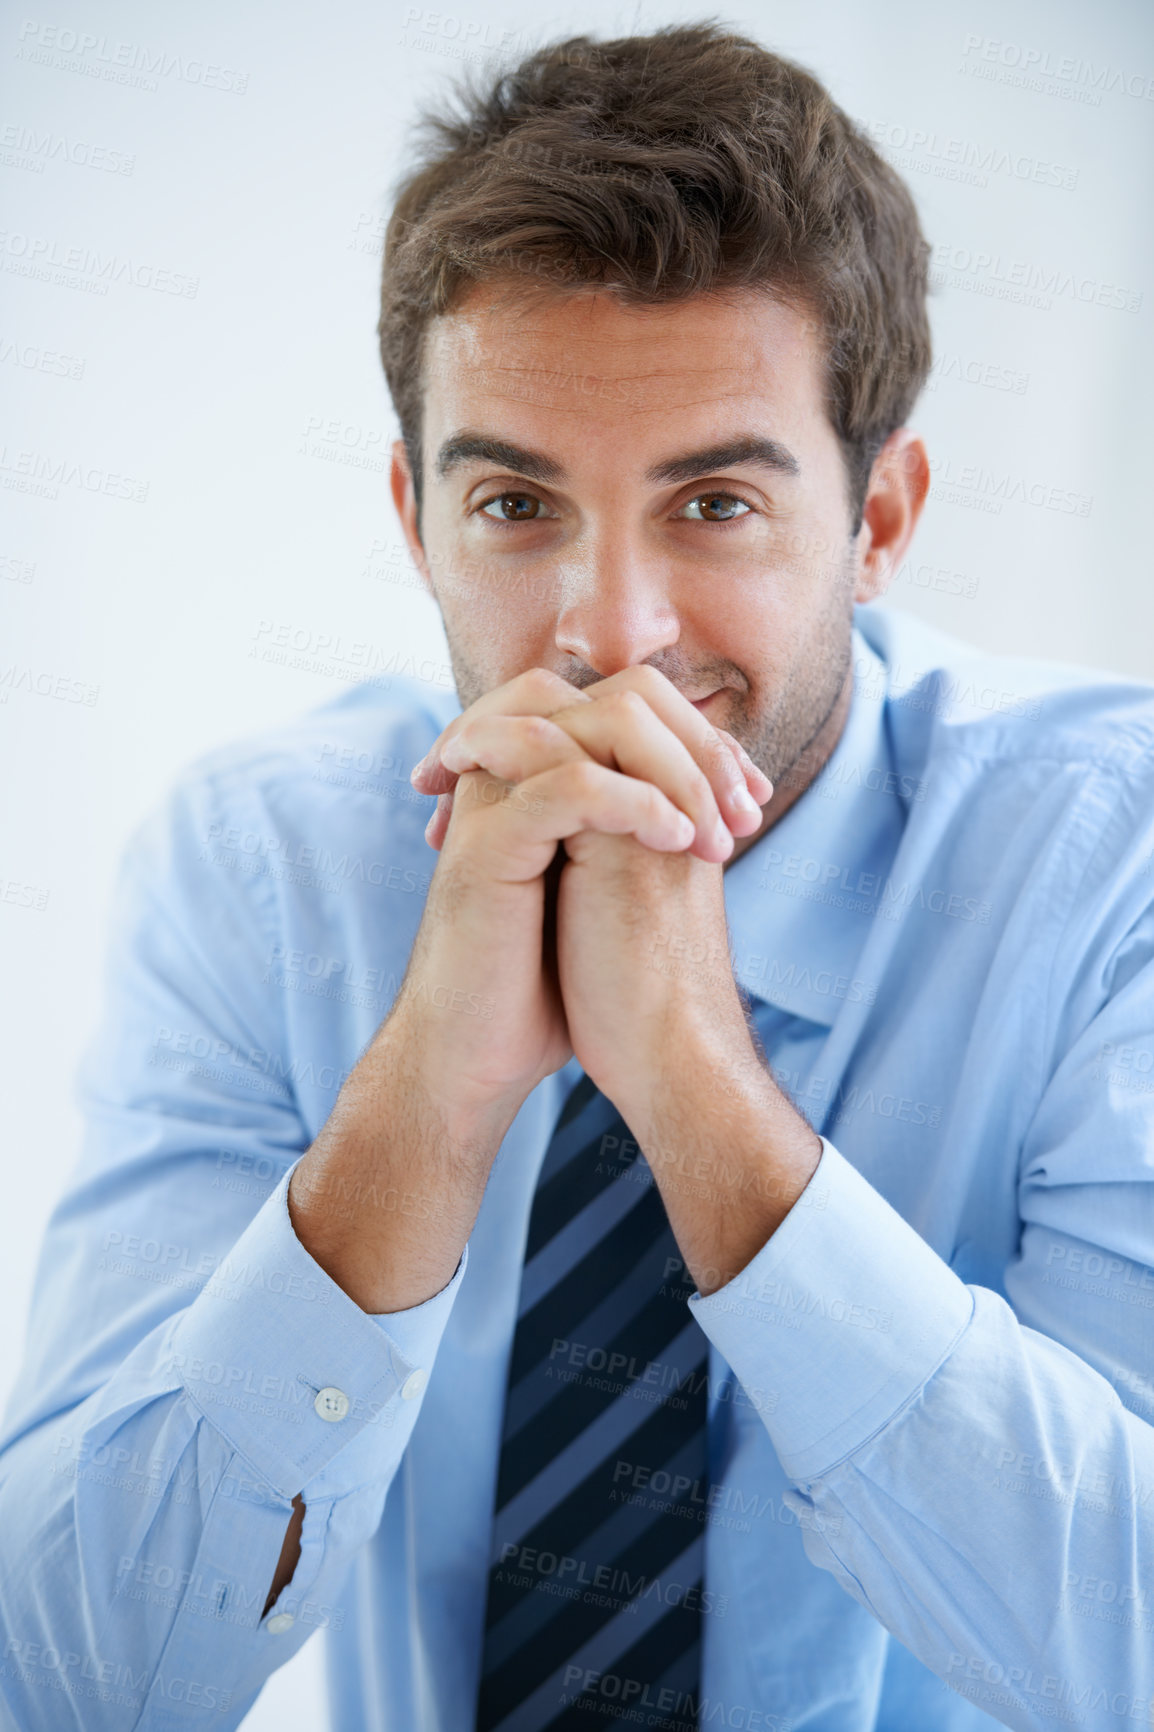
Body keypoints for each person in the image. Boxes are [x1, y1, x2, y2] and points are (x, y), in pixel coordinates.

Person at [2, 20, 1152, 1732]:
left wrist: (695, 1092)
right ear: (414, 517)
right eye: (516, 507)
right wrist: (420, 1106)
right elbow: (67, 1678)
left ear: (882, 518)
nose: (610, 632)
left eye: (713, 505)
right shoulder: (259, 868)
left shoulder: (1104, 860)